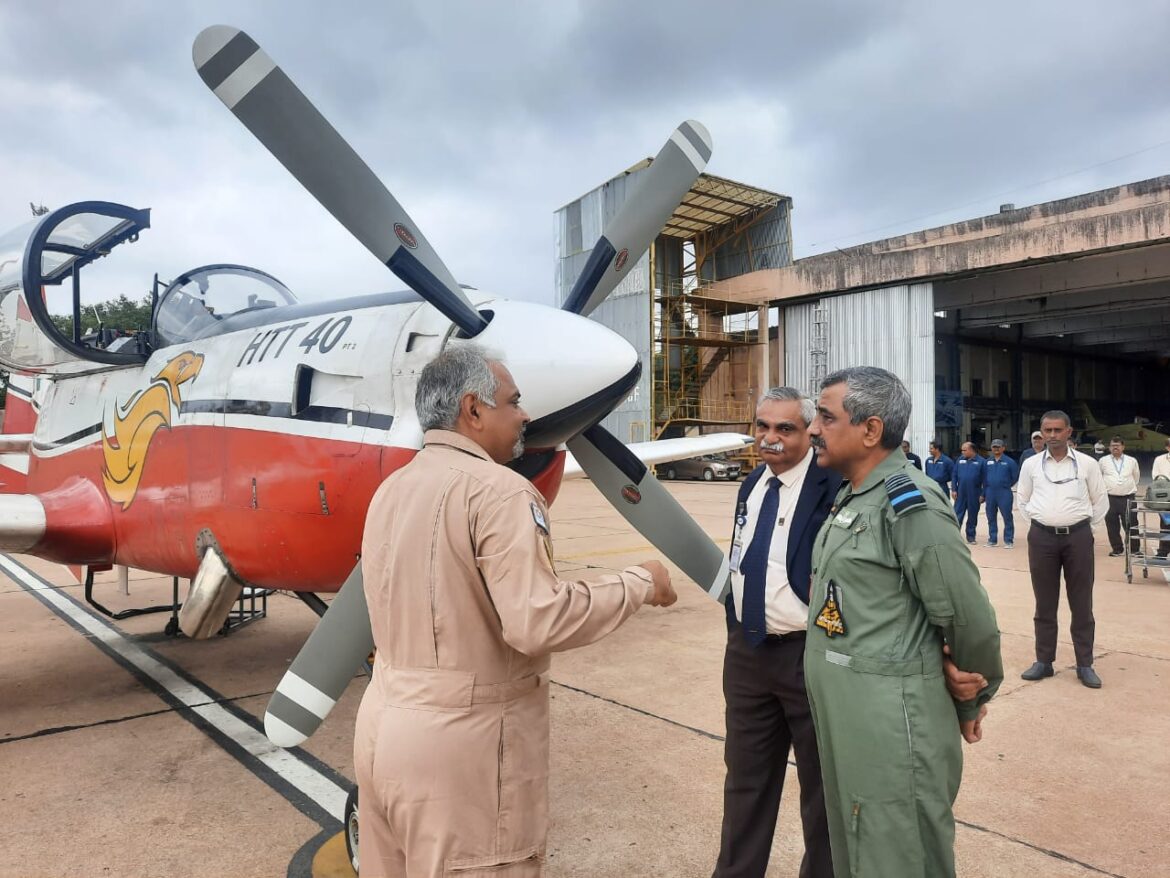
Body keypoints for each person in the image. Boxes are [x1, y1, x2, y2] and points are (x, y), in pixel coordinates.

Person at [354, 344, 677, 877]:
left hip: (382, 731)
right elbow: (537, 620)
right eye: (514, 401)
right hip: (465, 752)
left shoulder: (390, 489)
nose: (526, 415)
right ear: (473, 410)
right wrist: (640, 583)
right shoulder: (501, 492)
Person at [804, 366, 1003, 878]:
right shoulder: (853, 494)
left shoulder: (908, 504)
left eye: (826, 417)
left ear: (870, 430)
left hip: (893, 723)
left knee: (900, 853)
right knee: (860, 842)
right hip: (854, 716)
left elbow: (967, 615)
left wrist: (972, 693)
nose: (812, 429)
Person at [713, 387, 841, 878]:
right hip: (749, 655)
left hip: (807, 657)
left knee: (822, 792)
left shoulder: (833, 486)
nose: (769, 438)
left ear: (808, 431)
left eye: (784, 428)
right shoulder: (753, 484)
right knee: (744, 784)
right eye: (762, 425)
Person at [1017, 410, 1108, 689]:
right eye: (1048, 431)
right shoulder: (1031, 465)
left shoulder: (1087, 464)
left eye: (1058, 430)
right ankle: (1044, 661)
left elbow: (1100, 500)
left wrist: (1082, 529)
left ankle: (1084, 664)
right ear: (1041, 433)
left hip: (1078, 538)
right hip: (1042, 538)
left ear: (1069, 432)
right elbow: (1023, 499)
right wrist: (1041, 523)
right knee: (1044, 602)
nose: (1052, 436)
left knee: (1081, 603)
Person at [1100, 436, 1140, 558]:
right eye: (1113, 445)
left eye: (1118, 445)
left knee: (1131, 524)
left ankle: (1135, 549)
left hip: (1128, 497)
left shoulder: (1131, 460)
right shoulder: (1103, 461)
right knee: (1112, 525)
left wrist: (1126, 487)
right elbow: (1099, 477)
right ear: (1109, 447)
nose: (1115, 447)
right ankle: (1117, 549)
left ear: (1123, 447)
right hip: (1109, 498)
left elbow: (1136, 477)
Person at [983, 439, 1019, 548]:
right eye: (994, 447)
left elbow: (1015, 476)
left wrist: (1005, 484)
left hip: (1004, 492)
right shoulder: (987, 462)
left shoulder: (1009, 462)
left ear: (1003, 448)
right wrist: (983, 493)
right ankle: (992, 540)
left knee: (1007, 516)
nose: (996, 449)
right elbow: (983, 478)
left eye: (998, 447)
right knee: (990, 516)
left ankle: (1008, 540)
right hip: (990, 492)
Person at [951, 442, 985, 544]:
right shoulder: (960, 460)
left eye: (964, 450)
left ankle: (971, 537)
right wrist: (953, 489)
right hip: (960, 493)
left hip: (974, 494)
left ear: (972, 450)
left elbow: (986, 480)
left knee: (972, 516)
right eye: (962, 450)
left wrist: (983, 494)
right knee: (957, 515)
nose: (962, 452)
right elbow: (954, 475)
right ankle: (955, 537)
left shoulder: (982, 462)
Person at [1153, 438, 1170, 559]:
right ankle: (1163, 552)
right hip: (1164, 497)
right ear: (1167, 447)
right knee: (1166, 524)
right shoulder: (1159, 460)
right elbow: (1156, 476)